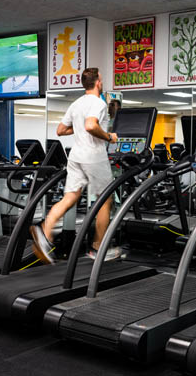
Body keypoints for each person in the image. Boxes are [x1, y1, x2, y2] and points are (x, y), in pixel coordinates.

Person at [30, 67, 120, 263]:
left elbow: (61, 130)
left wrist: (79, 129)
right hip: (94, 157)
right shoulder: (99, 103)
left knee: (69, 198)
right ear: (98, 82)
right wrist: (108, 137)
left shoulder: (76, 103)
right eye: (101, 79)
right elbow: (91, 125)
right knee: (105, 201)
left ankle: (45, 231)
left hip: (76, 156)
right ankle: (98, 248)